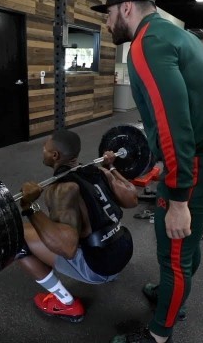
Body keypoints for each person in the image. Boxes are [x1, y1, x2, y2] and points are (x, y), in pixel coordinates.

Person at [91, 0, 203, 342]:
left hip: (200, 162)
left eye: (108, 15)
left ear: (125, 8)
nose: (107, 24)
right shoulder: (177, 36)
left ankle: (159, 334)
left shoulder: (145, 46)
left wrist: (176, 198)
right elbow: (170, 114)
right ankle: (171, 296)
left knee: (173, 249)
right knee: (185, 245)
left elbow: (175, 126)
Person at [17, 129, 139, 323]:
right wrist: (112, 167)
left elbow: (67, 248)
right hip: (123, 250)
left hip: (99, 268)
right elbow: (132, 198)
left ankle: (66, 304)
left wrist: (29, 207)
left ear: (55, 155)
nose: (43, 151)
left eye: (45, 149)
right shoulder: (99, 171)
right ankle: (109, 274)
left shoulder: (61, 189)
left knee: (18, 239)